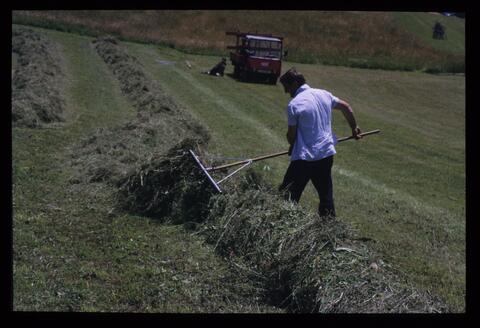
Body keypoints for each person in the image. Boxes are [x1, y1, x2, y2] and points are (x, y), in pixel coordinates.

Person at [278, 68, 362, 218]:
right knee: (326, 195)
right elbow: (346, 107)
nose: (286, 92)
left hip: (304, 159)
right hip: (325, 155)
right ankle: (329, 228)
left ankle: (283, 224)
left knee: (288, 194)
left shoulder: (294, 105)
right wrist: (354, 128)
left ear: (296, 83)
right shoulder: (324, 94)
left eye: (287, 87)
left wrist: (292, 145)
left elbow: (292, 135)